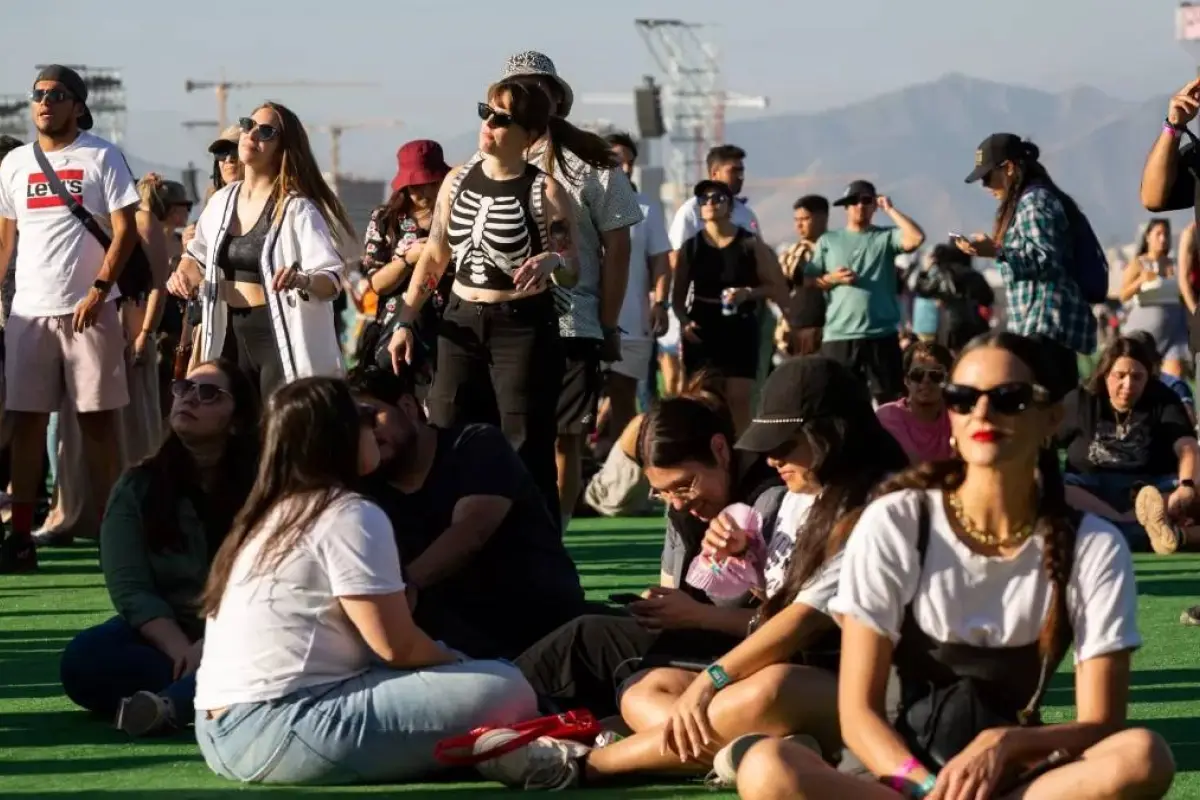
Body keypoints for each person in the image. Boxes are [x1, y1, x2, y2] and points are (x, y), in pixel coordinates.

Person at [731, 332, 1176, 800]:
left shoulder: (1093, 544)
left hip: (1012, 782)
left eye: (1009, 399)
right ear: (951, 418)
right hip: (894, 781)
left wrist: (1009, 741)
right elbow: (859, 713)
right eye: (963, 399)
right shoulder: (898, 520)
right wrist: (925, 789)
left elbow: (1102, 722)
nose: (983, 413)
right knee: (765, 767)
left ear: (1051, 419)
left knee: (1144, 754)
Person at [479, 358, 909, 791]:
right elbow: (774, 601)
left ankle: (584, 765)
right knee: (645, 689)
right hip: (786, 669)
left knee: (769, 690)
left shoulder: (878, 505)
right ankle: (753, 746)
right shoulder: (794, 495)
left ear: (832, 435)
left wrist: (711, 677)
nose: (772, 458)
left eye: (786, 444)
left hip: (858, 690)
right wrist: (744, 558)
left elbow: (802, 622)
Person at [193, 377, 537, 785]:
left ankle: (479, 745)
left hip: (216, 733)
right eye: (363, 416)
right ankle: (492, 745)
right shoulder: (346, 512)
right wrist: (465, 665)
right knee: (508, 688)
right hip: (283, 727)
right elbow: (396, 647)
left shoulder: (268, 515)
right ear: (336, 436)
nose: (374, 425)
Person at [516, 375, 782, 720]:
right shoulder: (681, 509)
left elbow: (796, 625)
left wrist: (703, 611)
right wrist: (659, 605)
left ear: (720, 449)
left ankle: (484, 710)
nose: (678, 503)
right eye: (661, 492)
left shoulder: (771, 503)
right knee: (568, 614)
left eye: (684, 486)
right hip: (693, 636)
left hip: (745, 656)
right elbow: (673, 593)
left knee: (585, 639)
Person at [387, 80, 582, 525]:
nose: (488, 125)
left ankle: (537, 556)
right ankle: (449, 547)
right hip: (459, 319)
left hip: (522, 324)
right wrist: (405, 321)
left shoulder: (545, 191)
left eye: (502, 118)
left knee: (525, 443)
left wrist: (552, 259)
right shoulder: (456, 180)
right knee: (446, 428)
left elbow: (573, 267)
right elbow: (435, 254)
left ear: (530, 134)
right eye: (485, 112)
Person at [59, 359, 258, 736]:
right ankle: (210, 690)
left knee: (270, 651)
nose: (189, 399)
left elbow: (268, 582)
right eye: (184, 388)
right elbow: (130, 588)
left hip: (247, 628)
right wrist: (183, 649)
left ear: (237, 419)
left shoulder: (264, 486)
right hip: (168, 634)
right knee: (83, 660)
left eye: (209, 393)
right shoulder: (137, 486)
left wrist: (213, 642)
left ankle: (173, 702)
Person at [492, 51, 644, 532]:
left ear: (557, 99)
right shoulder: (489, 159)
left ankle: (553, 537)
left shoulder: (596, 164)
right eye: (517, 89)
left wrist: (609, 323)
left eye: (538, 89)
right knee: (507, 434)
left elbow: (617, 250)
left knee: (565, 436)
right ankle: (512, 534)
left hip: (572, 318)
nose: (528, 98)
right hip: (504, 316)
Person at [0, 65, 142, 571]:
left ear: (78, 105)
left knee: (99, 426)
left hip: (91, 311)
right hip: (29, 313)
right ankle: (19, 536)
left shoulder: (102, 155)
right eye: (37, 93)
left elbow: (125, 231)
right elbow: (7, 239)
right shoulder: (15, 163)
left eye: (56, 94)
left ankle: (112, 534)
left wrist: (100, 289)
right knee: (25, 425)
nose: (44, 101)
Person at [349, 365, 590, 660]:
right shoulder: (367, 486)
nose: (366, 432)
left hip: (545, 630)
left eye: (371, 416)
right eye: (353, 426)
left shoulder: (476, 444)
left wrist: (403, 588)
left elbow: (472, 530)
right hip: (461, 643)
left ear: (408, 406)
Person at [167, 102, 353, 400]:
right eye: (247, 125)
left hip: (274, 332)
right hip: (225, 330)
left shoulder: (297, 209)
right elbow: (197, 257)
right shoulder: (221, 202)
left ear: (282, 148)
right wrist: (183, 275)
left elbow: (331, 279)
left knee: (275, 425)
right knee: (230, 428)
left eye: (265, 131)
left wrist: (301, 280)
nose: (251, 135)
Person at [957, 133, 1097, 363]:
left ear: (1009, 168)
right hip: (1040, 326)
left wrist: (996, 251)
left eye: (987, 177)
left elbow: (1046, 260)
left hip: (1046, 324)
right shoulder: (1031, 201)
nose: (985, 185)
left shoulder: (1033, 203)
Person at [1057, 335, 1199, 553]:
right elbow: (1042, 441)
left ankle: (1123, 532)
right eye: (1120, 376)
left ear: (1148, 378)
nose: (1128, 384)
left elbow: (1187, 446)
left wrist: (1187, 486)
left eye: (1137, 377)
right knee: (1056, 490)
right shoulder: (1081, 400)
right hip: (1089, 490)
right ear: (1105, 374)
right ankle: (1138, 532)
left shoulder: (1164, 398)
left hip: (1152, 492)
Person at [672, 179, 791, 433]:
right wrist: (683, 322)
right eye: (704, 199)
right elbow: (678, 297)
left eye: (718, 198)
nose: (711, 203)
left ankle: (741, 459)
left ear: (730, 206)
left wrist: (748, 292)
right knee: (702, 398)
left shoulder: (749, 244)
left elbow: (775, 287)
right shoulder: (690, 247)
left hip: (740, 324)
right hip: (702, 326)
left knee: (739, 398)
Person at [803, 179, 926, 404]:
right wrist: (831, 278)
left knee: (891, 402)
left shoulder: (886, 237)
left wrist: (890, 209)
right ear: (846, 207)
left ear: (874, 205)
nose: (860, 206)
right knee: (839, 402)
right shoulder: (829, 240)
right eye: (853, 201)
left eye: (866, 201)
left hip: (881, 334)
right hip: (840, 334)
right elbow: (808, 279)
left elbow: (916, 238)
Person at [355, 139, 451, 384]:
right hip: (396, 328)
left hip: (451, 329)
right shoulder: (385, 220)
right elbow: (376, 283)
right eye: (414, 186)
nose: (422, 192)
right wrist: (407, 260)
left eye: (429, 183)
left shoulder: (459, 216)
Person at [603, 131, 670, 440]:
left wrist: (661, 302)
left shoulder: (647, 209)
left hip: (632, 322)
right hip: (587, 322)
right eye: (619, 161)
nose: (626, 169)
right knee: (578, 408)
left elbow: (660, 260)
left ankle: (622, 475)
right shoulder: (581, 204)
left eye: (631, 163)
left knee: (624, 401)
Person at [1120, 218, 1189, 378]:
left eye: (1166, 234)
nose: (1163, 238)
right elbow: (1123, 295)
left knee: (1175, 378)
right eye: (1158, 234)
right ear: (1148, 237)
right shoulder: (1139, 263)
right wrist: (1140, 281)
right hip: (1144, 332)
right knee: (1142, 378)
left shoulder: (1176, 264)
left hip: (1174, 331)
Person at [876, 340, 955, 464]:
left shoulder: (957, 417)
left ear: (948, 380)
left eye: (936, 375)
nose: (926, 381)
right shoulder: (887, 416)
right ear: (906, 381)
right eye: (917, 375)